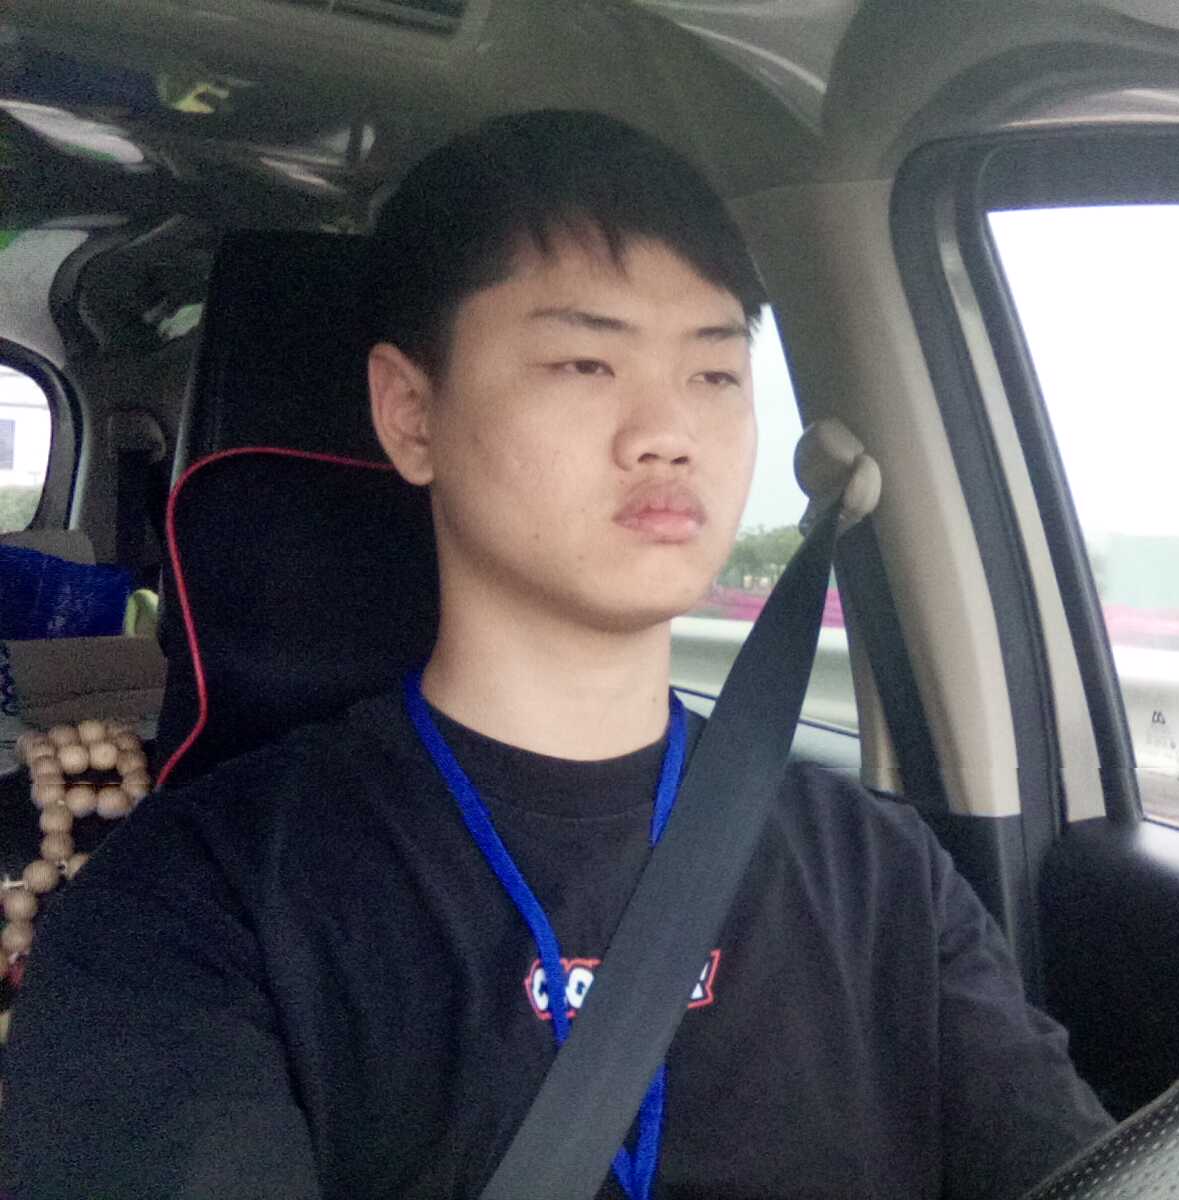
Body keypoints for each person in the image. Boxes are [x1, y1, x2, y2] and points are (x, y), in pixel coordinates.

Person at [0, 110, 1113, 1198]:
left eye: (715, 374)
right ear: (410, 413)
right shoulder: (194, 902)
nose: (668, 432)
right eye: (587, 363)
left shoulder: (881, 872)